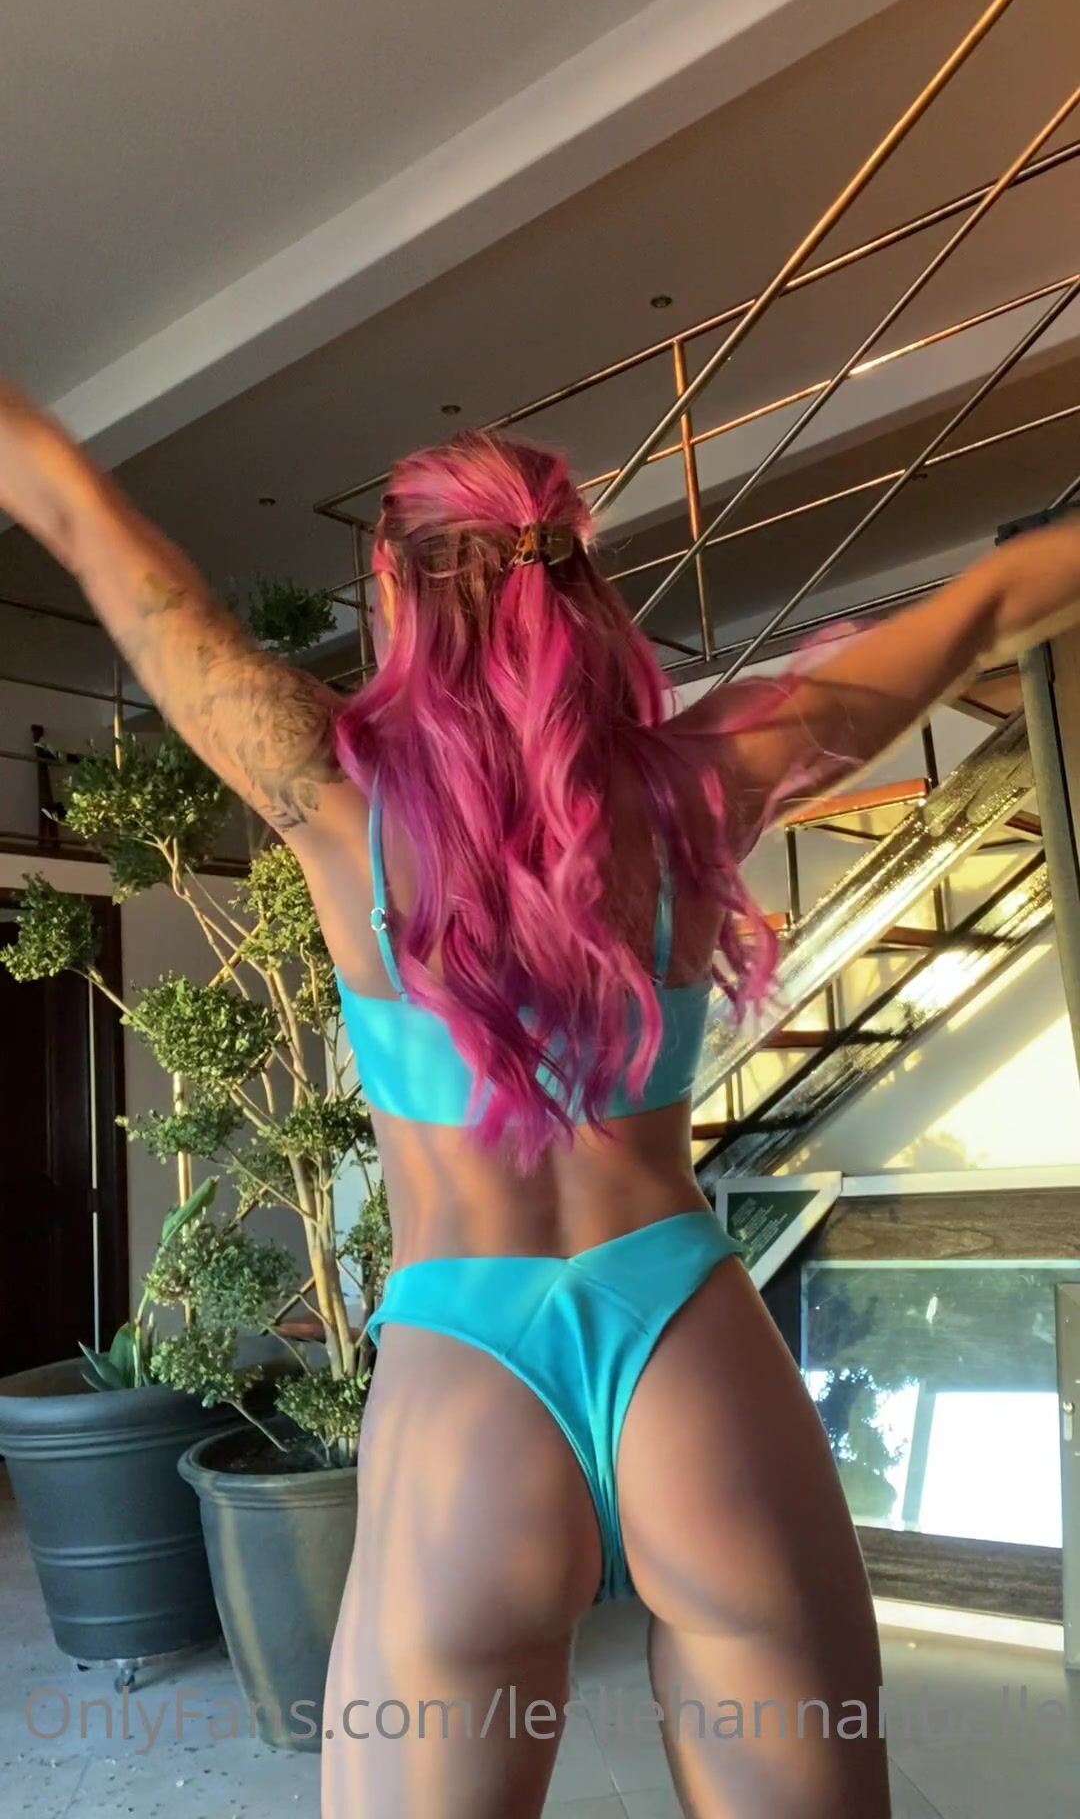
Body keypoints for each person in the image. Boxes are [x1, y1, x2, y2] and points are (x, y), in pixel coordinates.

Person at [1, 380, 1077, 1818]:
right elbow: (1001, 598)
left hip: (469, 1371)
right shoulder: (704, 785)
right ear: (579, 580)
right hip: (691, 1343)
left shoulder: (329, 791)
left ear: (389, 583)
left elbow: (79, 517)